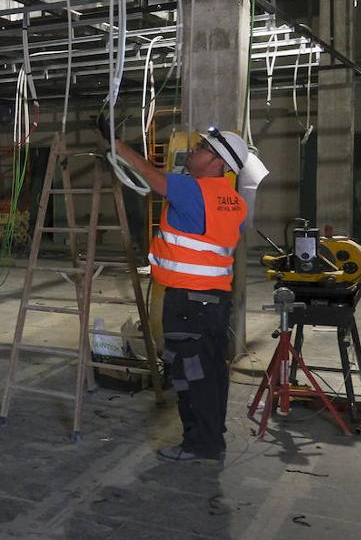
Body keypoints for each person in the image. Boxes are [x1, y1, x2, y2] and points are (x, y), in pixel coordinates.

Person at [99, 118, 253, 463]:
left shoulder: (194, 189)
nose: (192, 152)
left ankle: (200, 445)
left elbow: (151, 176)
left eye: (201, 149)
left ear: (217, 163)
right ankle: (211, 437)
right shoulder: (233, 201)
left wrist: (117, 144)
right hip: (214, 302)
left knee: (190, 375)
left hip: (188, 303)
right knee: (211, 373)